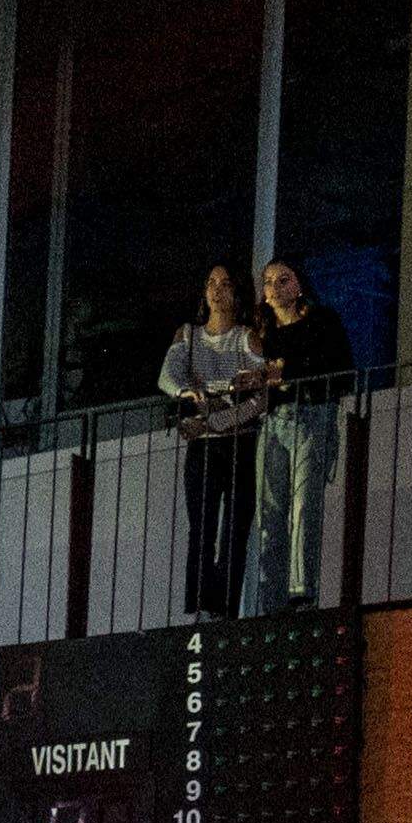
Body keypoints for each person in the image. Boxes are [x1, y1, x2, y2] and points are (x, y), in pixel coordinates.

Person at [244, 259, 357, 615]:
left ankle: (301, 591)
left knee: (304, 505)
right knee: (271, 511)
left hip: (313, 415)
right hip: (275, 420)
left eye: (283, 280)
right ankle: (270, 599)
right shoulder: (263, 334)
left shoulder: (321, 322)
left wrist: (286, 371)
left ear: (299, 286)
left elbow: (340, 368)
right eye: (268, 282)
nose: (274, 288)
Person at [160, 265, 270, 620]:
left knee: (235, 528)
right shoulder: (189, 335)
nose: (216, 290)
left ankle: (224, 608)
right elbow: (167, 375)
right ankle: (200, 606)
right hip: (204, 445)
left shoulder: (246, 337)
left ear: (237, 293)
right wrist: (186, 392)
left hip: (239, 442)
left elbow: (259, 399)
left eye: (225, 283)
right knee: (202, 526)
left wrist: (214, 417)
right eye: (210, 283)